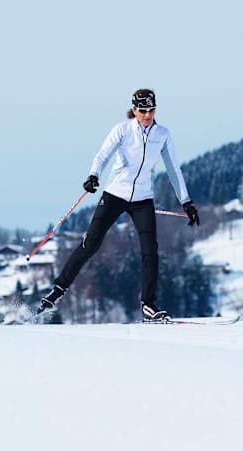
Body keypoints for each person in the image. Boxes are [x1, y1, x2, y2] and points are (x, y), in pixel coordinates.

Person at [37, 88, 200, 322]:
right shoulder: (122, 130)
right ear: (134, 110)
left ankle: (148, 305)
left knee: (150, 250)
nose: (147, 115)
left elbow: (174, 169)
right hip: (115, 194)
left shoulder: (162, 134)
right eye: (142, 110)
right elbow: (102, 155)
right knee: (91, 243)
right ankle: (57, 291)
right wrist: (94, 175)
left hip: (143, 198)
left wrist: (187, 202)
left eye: (151, 110)